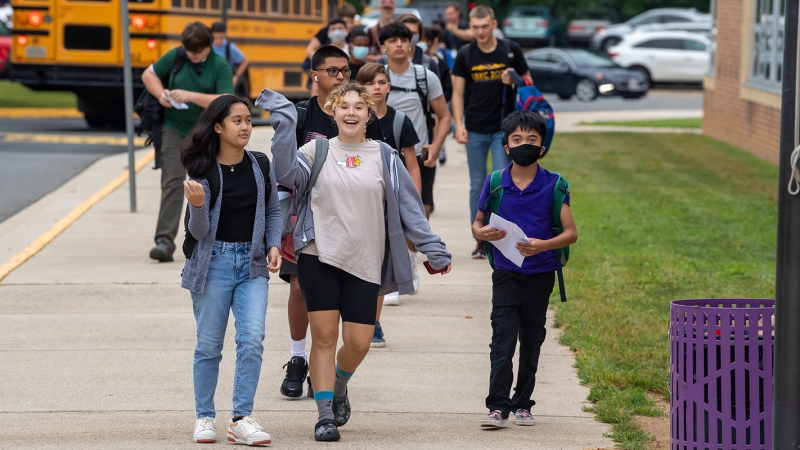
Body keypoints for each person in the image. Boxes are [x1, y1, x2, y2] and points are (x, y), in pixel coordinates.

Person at [257, 81, 452, 441]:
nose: (350, 112)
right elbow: (285, 174)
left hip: (366, 260)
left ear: (369, 114)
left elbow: (410, 208)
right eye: (343, 106)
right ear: (332, 111)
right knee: (325, 336)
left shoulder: (385, 156)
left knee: (359, 342)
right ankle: (324, 414)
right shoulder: (315, 150)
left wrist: (433, 248)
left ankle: (340, 384)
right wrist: (284, 123)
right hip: (318, 255)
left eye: (358, 107)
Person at [276, 45, 386, 400]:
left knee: (348, 327)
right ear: (315, 75)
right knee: (297, 289)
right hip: (305, 220)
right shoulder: (302, 114)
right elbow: (285, 172)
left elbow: (379, 166)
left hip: (351, 227)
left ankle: (327, 378)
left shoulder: (362, 115)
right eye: (332, 71)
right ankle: (297, 358)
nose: (340, 76)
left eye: (345, 71)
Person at [180, 95, 282, 445]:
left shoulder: (259, 164)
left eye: (248, 121)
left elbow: (271, 210)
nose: (245, 127)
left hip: (252, 264)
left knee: (252, 339)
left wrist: (273, 243)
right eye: (237, 121)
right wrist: (196, 206)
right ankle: (204, 416)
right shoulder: (204, 170)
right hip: (213, 266)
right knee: (209, 346)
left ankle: (240, 418)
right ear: (218, 127)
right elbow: (199, 232)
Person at [471, 110, 578, 430]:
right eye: (517, 139)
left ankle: (523, 404)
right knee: (502, 338)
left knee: (532, 339)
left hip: (541, 273)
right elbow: (477, 223)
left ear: (543, 147)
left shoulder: (554, 184)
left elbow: (571, 232)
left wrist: (542, 245)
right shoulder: (494, 182)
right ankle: (497, 406)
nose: (524, 145)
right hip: (505, 272)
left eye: (532, 140)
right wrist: (482, 233)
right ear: (506, 146)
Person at [142, 21, 234, 263]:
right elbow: (148, 74)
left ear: (208, 46)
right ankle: (164, 240)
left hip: (205, 133)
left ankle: (204, 239)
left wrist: (191, 96)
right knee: (172, 182)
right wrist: (160, 93)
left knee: (205, 186)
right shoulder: (176, 57)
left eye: (198, 52)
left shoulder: (219, 65)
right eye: (189, 51)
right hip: (172, 128)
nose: (193, 56)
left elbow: (226, 99)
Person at [380, 21, 451, 305]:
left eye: (403, 40)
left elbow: (443, 115)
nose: (398, 45)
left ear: (411, 44)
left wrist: (436, 144)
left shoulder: (425, 76)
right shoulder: (375, 77)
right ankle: (397, 272)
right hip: (382, 158)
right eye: (392, 40)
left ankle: (408, 260)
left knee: (418, 213)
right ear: (382, 46)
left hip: (417, 156)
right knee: (387, 217)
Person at [452, 5, 532, 259]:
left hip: (503, 129)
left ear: (494, 25)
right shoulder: (466, 54)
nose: (480, 31)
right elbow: (457, 92)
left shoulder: (510, 50)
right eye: (475, 27)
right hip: (475, 127)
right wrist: (459, 124)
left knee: (500, 184)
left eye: (484, 26)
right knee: (477, 185)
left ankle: (499, 238)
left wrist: (515, 80)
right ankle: (480, 238)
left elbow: (529, 84)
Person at [356, 62, 422, 348]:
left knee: (378, 265)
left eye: (382, 82)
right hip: (356, 200)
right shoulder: (353, 118)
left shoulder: (399, 121)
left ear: (389, 86)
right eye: (371, 83)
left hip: (387, 205)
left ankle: (373, 322)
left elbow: (412, 165)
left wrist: (414, 207)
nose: (377, 88)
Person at [211, 22, 250, 98]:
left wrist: (236, 77)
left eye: (221, 38)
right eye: (215, 38)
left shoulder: (229, 48)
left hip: (226, 81)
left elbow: (244, 61)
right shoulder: (209, 47)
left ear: (225, 35)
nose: (218, 41)